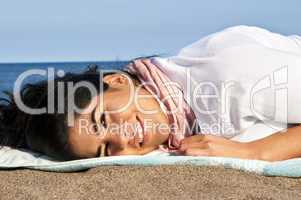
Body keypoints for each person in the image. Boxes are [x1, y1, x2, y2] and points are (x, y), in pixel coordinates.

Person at [1, 25, 301, 161]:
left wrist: (256, 152)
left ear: (118, 81)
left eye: (103, 120)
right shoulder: (176, 124)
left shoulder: (227, 77)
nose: (120, 141)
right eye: (106, 150)